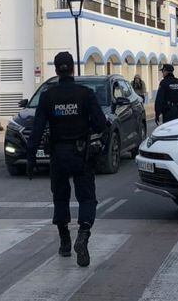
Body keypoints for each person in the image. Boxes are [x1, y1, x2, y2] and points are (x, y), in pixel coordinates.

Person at [25, 51, 108, 268]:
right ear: (73, 69)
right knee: (87, 198)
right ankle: (83, 234)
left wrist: (31, 157)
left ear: (56, 70)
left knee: (61, 198)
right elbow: (101, 124)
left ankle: (64, 241)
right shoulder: (85, 94)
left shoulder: (48, 96)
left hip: (58, 155)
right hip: (81, 155)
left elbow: (37, 128)